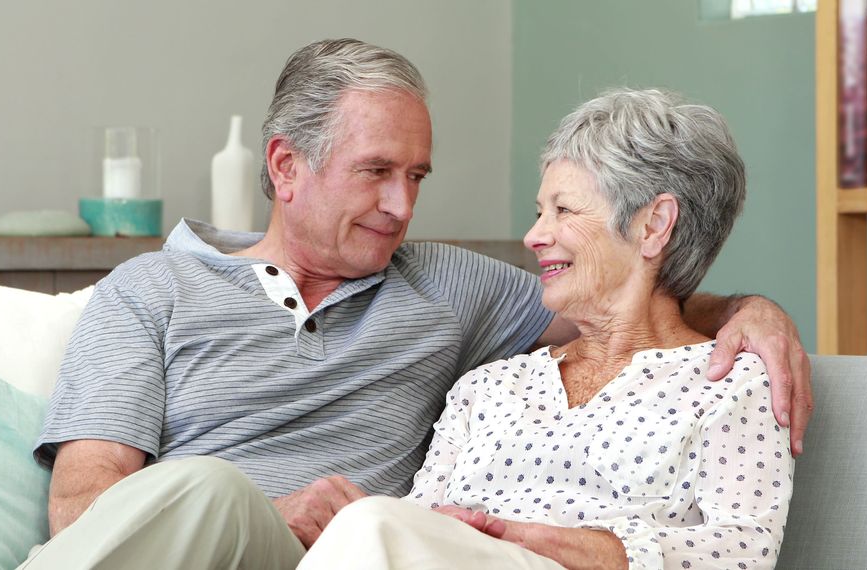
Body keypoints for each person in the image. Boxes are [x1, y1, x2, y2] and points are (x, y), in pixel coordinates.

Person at [20, 39, 809, 569]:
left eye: (417, 177)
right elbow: (81, 513)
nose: (402, 206)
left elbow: (626, 299)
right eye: (376, 172)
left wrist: (752, 310)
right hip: (202, 550)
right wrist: (269, 510)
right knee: (210, 489)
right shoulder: (149, 291)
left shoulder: (451, 284)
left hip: (357, 553)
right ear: (286, 167)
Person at [298, 88, 792, 570]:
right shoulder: (488, 387)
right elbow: (417, 525)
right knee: (370, 523)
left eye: (564, 210)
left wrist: (536, 542)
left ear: (653, 225)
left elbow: (744, 550)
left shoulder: (730, 385)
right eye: (540, 213)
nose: (534, 236)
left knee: (369, 522)